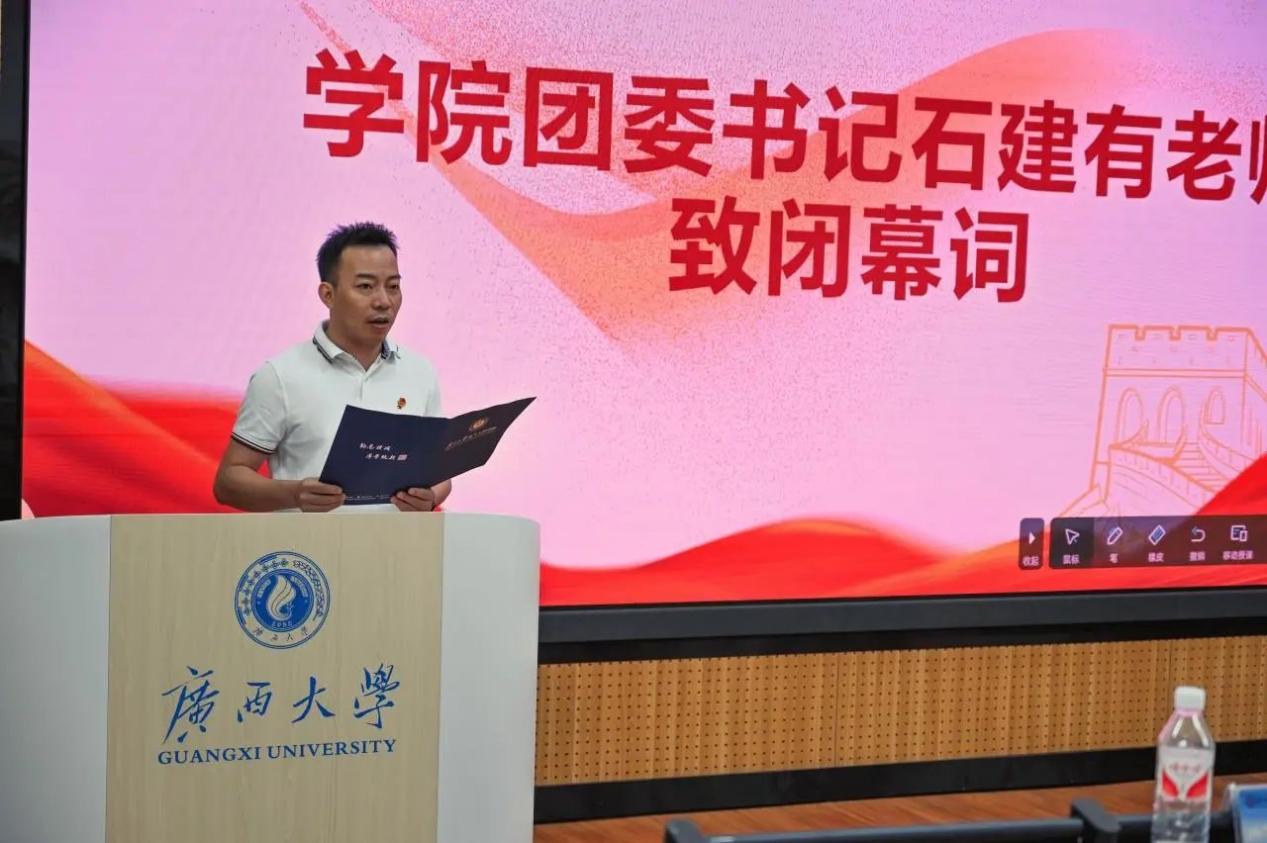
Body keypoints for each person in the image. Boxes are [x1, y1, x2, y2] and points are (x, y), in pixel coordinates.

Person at [213, 222, 451, 513]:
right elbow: (228, 481)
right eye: (365, 287)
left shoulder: (420, 372)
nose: (383, 301)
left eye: (393, 287)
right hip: (310, 542)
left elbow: (440, 474)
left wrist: (431, 496)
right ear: (328, 294)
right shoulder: (280, 376)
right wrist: (295, 494)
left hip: (399, 542)